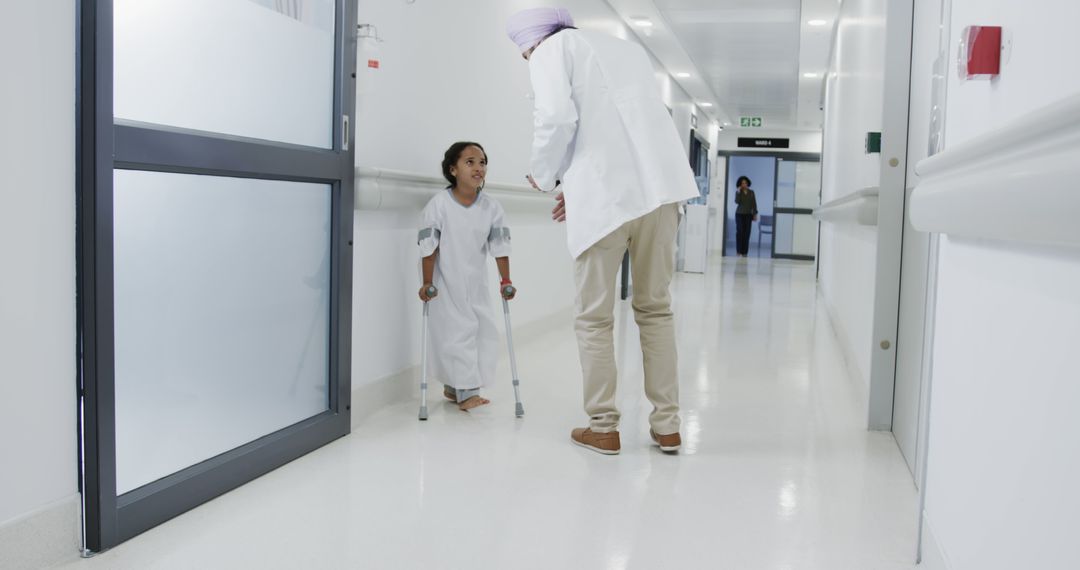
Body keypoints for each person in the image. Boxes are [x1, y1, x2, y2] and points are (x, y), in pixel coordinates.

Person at [507, 7, 699, 454]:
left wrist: (545, 175)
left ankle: (604, 425)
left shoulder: (551, 50)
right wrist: (574, 185)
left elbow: (557, 120)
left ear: (529, 41)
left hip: (608, 203)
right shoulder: (624, 50)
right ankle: (667, 425)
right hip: (662, 192)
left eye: (523, 52)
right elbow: (624, 126)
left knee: (594, 317)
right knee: (656, 310)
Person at [417, 142, 515, 411]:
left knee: (482, 330)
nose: (478, 167)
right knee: (458, 332)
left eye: (482, 162)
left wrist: (505, 280)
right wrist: (427, 282)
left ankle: (454, 387)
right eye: (470, 162)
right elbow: (428, 248)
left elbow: (500, 247)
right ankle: (468, 391)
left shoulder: (491, 208)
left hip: (476, 280)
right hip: (445, 279)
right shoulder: (439, 206)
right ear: (453, 169)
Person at [733, 176, 759, 257]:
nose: (744, 184)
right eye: (742, 183)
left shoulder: (751, 192)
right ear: (740, 184)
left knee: (747, 233)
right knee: (740, 232)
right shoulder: (738, 192)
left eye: (745, 183)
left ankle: (744, 252)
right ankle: (738, 251)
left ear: (747, 183)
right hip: (739, 214)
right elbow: (737, 202)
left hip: (748, 215)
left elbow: (754, 204)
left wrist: (754, 214)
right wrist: (738, 192)